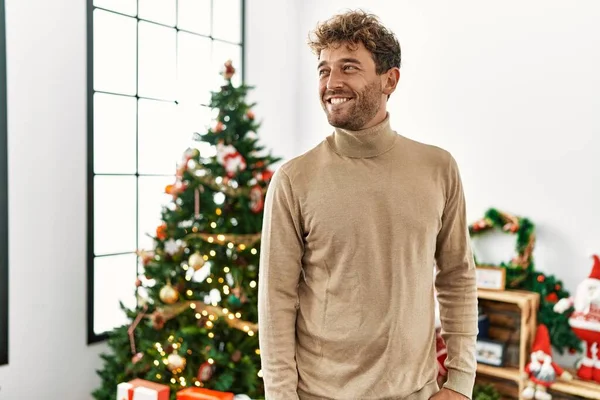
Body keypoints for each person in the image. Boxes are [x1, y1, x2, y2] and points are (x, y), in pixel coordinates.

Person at [258, 9, 478, 400]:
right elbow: (276, 300)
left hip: (417, 391)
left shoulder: (438, 168)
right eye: (324, 70)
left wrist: (460, 382)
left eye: (348, 67)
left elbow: (457, 277)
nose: (332, 82)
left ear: (389, 79)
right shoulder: (293, 180)